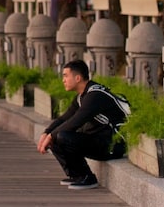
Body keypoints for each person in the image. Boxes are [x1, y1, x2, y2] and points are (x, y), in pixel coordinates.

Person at [37, 60, 129, 191]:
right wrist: (46, 133)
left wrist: (51, 136)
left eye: (65, 75)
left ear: (78, 78)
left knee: (62, 136)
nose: (63, 80)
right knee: (57, 135)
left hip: (113, 146)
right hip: (98, 141)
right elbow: (64, 118)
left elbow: (76, 121)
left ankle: (87, 178)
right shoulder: (81, 97)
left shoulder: (95, 96)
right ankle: (76, 176)